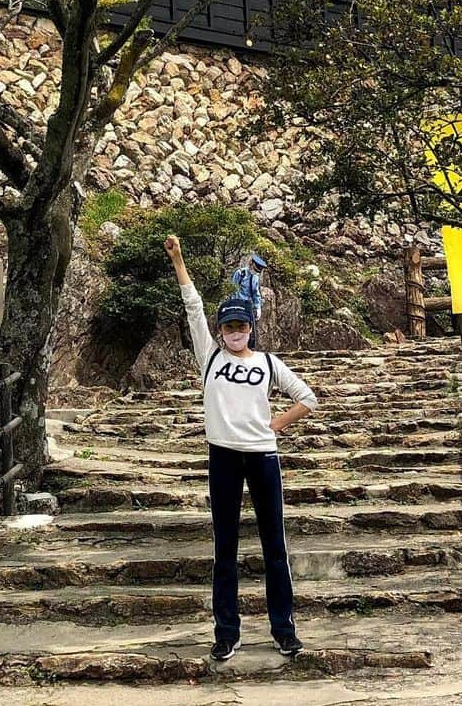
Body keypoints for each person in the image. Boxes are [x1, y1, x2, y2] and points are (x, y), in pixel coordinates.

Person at [164, 233, 317, 662]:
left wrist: (277, 423)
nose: (235, 332)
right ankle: (226, 632)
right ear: (221, 330)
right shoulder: (210, 358)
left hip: (263, 457)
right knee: (225, 548)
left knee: (275, 546)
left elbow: (308, 397)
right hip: (224, 457)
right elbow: (192, 306)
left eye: (242, 325)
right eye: (229, 326)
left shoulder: (268, 363)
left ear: (251, 327)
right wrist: (179, 260)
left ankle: (284, 629)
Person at [230, 254, 266, 346]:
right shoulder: (240, 273)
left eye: (258, 271)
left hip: (248, 306)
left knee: (251, 333)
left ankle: (250, 349)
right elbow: (232, 289)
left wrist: (258, 307)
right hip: (237, 305)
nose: (255, 271)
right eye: (255, 269)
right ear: (251, 263)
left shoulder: (255, 278)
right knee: (237, 330)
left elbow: (255, 293)